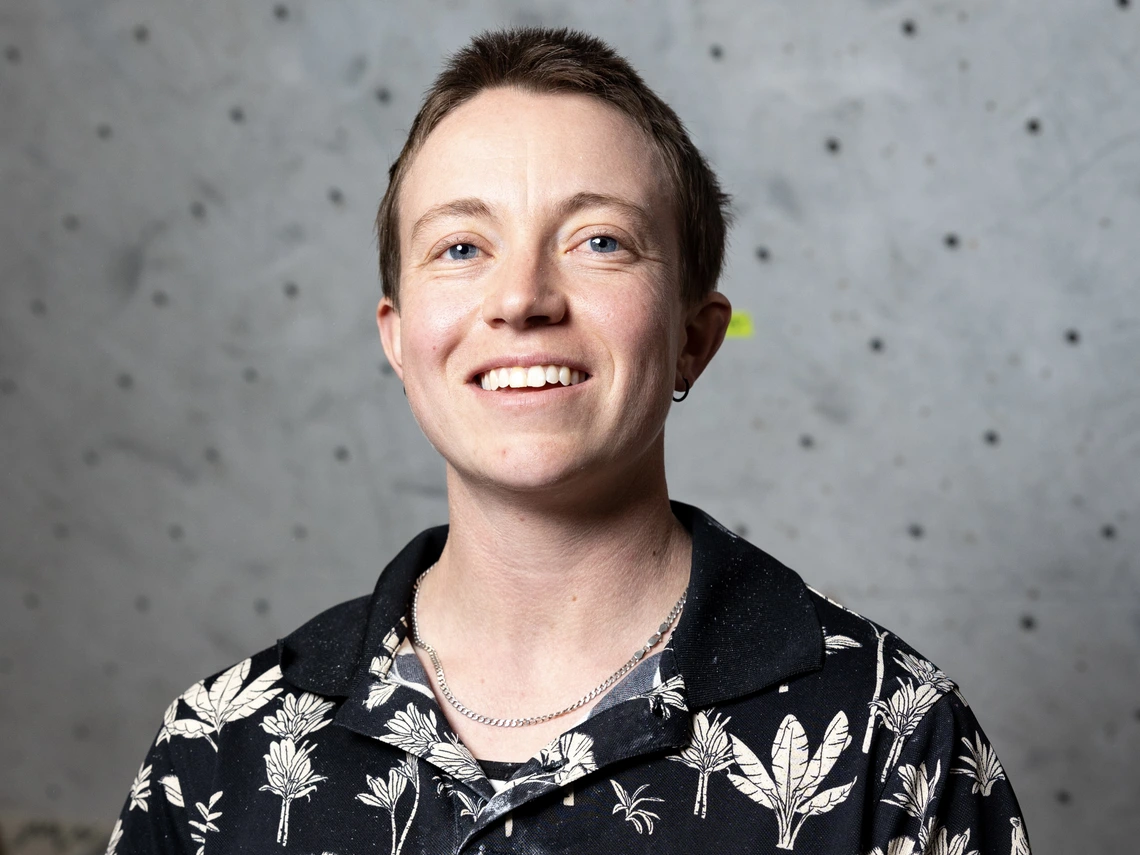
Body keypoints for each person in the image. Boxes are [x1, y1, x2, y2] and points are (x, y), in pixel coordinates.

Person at [107, 26, 1031, 855]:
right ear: (398, 338)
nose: (521, 299)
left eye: (599, 242)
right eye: (462, 247)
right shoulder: (217, 750)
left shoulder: (893, 738)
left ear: (693, 337)